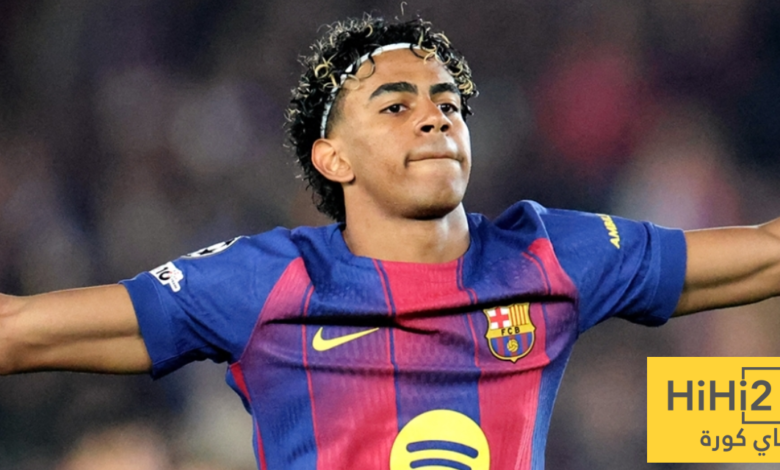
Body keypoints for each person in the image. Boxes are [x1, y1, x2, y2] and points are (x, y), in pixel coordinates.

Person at [1, 15, 780, 470]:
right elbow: (20, 331)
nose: (435, 116)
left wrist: (739, 427)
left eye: (448, 103)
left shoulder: (548, 255)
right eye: (395, 106)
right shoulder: (267, 282)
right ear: (332, 159)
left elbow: (767, 252)